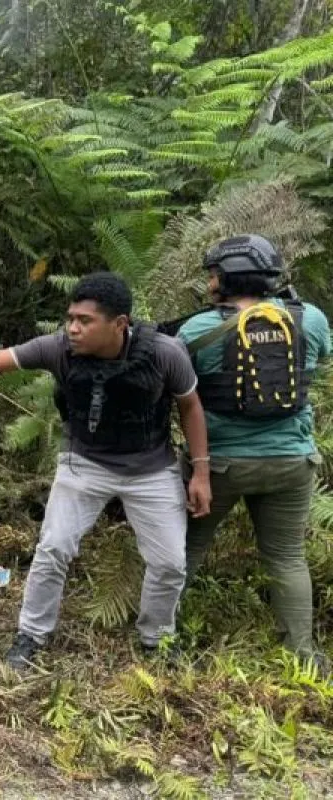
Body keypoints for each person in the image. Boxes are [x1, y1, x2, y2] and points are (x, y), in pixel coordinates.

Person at [0, 272, 212, 670]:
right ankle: (31, 635)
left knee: (170, 563)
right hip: (84, 464)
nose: (72, 328)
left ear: (119, 324)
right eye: (70, 317)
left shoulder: (164, 353)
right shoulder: (57, 348)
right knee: (53, 549)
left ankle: (158, 638)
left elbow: (191, 406)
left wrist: (201, 472)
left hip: (152, 469)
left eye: (85, 321)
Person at [175, 234, 331, 668]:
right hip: (293, 463)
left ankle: (159, 637)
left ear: (228, 277)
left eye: (212, 274)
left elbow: (182, 391)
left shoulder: (198, 329)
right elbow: (313, 368)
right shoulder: (310, 319)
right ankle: (303, 657)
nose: (209, 283)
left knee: (186, 550)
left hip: (220, 466)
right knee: (286, 558)